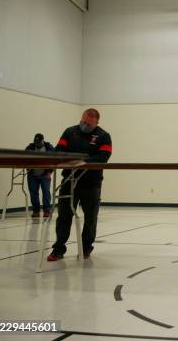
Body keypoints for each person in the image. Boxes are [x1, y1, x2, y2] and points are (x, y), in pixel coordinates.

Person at [47, 108, 112, 261]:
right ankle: (58, 249)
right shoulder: (69, 132)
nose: (85, 125)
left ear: (96, 122)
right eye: (83, 121)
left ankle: (86, 248)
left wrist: (81, 161)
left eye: (88, 123)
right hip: (69, 180)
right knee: (64, 216)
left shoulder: (104, 136)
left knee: (90, 218)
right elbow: (59, 151)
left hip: (91, 183)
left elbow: (103, 157)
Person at [25, 133, 54, 218]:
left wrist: (49, 172)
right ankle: (36, 211)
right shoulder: (30, 147)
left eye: (39, 142)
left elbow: (53, 160)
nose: (37, 144)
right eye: (36, 142)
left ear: (43, 141)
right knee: (33, 193)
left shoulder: (49, 148)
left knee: (46, 192)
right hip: (32, 174)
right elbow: (24, 157)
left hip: (45, 174)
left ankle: (46, 210)